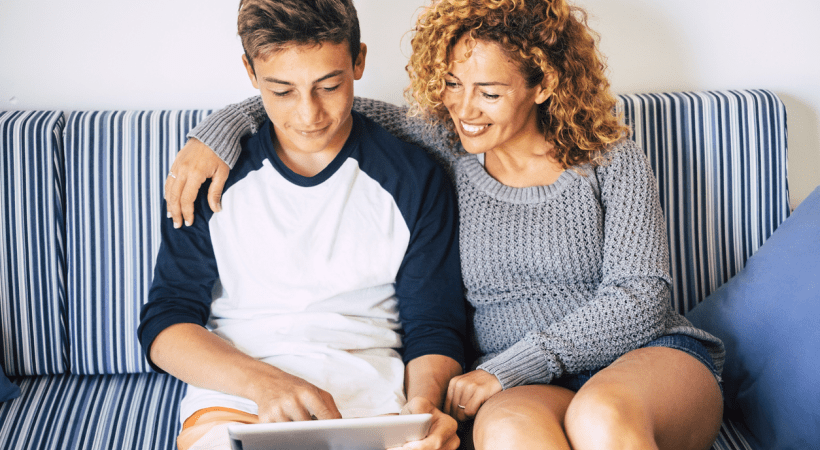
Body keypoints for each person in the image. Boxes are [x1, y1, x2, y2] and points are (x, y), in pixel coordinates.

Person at [165, 0, 727, 449]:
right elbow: (325, 110)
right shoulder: (450, 145)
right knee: (508, 435)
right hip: (522, 387)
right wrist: (216, 130)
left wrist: (506, 368)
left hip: (637, 361)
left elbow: (641, 297)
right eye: (454, 85)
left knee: (600, 418)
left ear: (544, 84)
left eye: (490, 91)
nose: (465, 109)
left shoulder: (610, 156)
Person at [137, 1, 467, 449]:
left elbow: (433, 325)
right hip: (237, 401)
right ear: (251, 75)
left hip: (375, 408)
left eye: (329, 86)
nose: (309, 115)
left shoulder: (414, 177)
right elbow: (167, 323)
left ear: (359, 61)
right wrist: (264, 384)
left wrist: (426, 407)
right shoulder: (206, 176)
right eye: (282, 91)